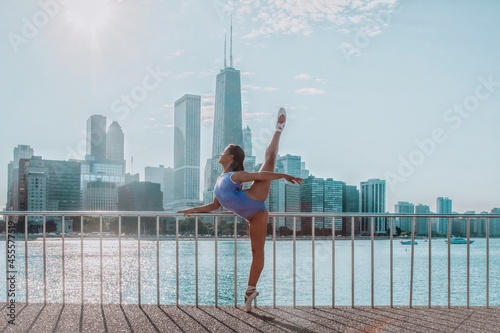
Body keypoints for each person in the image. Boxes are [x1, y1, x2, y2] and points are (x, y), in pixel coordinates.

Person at [178, 107, 302, 312]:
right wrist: (192, 210)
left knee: (269, 161)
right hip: (251, 215)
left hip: (256, 203)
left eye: (224, 151)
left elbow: (260, 177)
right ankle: (250, 292)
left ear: (231, 157)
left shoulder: (236, 176)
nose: (221, 153)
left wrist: (284, 176)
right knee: (255, 252)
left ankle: (279, 129)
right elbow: (214, 206)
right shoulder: (218, 181)